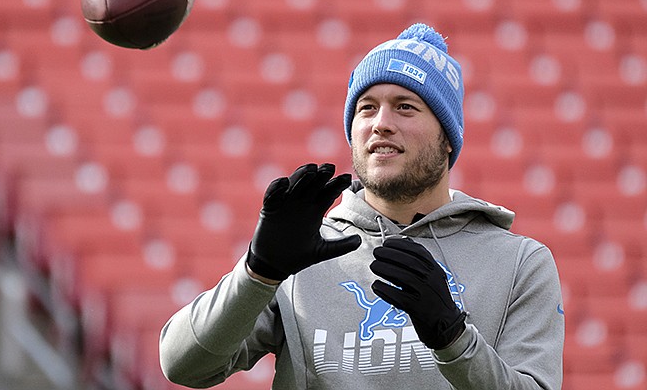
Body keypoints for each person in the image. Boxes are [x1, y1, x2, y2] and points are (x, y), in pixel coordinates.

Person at [159, 23, 565, 389]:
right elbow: (183, 365)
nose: (380, 122)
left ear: (448, 138)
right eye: (366, 107)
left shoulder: (519, 263)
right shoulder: (302, 253)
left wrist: (453, 337)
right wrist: (257, 273)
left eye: (405, 106)